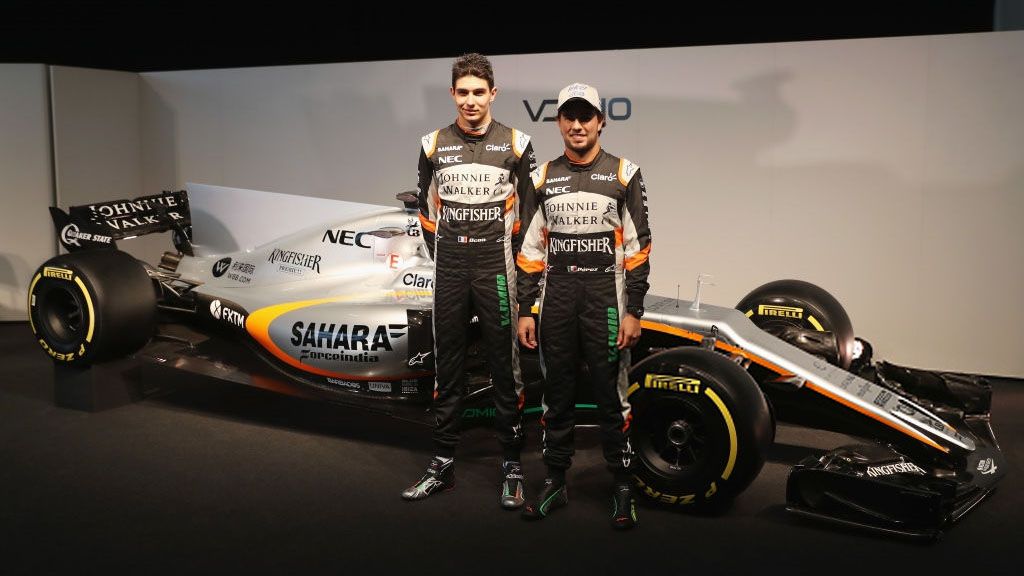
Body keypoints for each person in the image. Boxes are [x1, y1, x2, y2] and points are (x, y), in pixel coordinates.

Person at [401, 53, 537, 510]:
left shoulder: (517, 144)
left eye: (480, 92)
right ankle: (441, 464)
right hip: (451, 271)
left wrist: (516, 272)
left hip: (497, 271)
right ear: (453, 94)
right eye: (464, 92)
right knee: (448, 368)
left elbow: (531, 220)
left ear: (493, 94)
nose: (472, 100)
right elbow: (425, 211)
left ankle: (512, 466)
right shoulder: (432, 143)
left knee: (506, 370)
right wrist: (446, 258)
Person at [515, 82, 652, 530]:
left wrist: (634, 310)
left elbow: (638, 250)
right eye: (569, 117)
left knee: (613, 398)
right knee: (555, 396)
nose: (577, 125)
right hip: (557, 302)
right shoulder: (540, 178)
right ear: (558, 123)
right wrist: (526, 309)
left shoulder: (624, 173)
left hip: (605, 301)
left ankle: (623, 485)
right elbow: (531, 251)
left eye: (585, 116)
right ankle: (555, 478)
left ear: (600, 121)